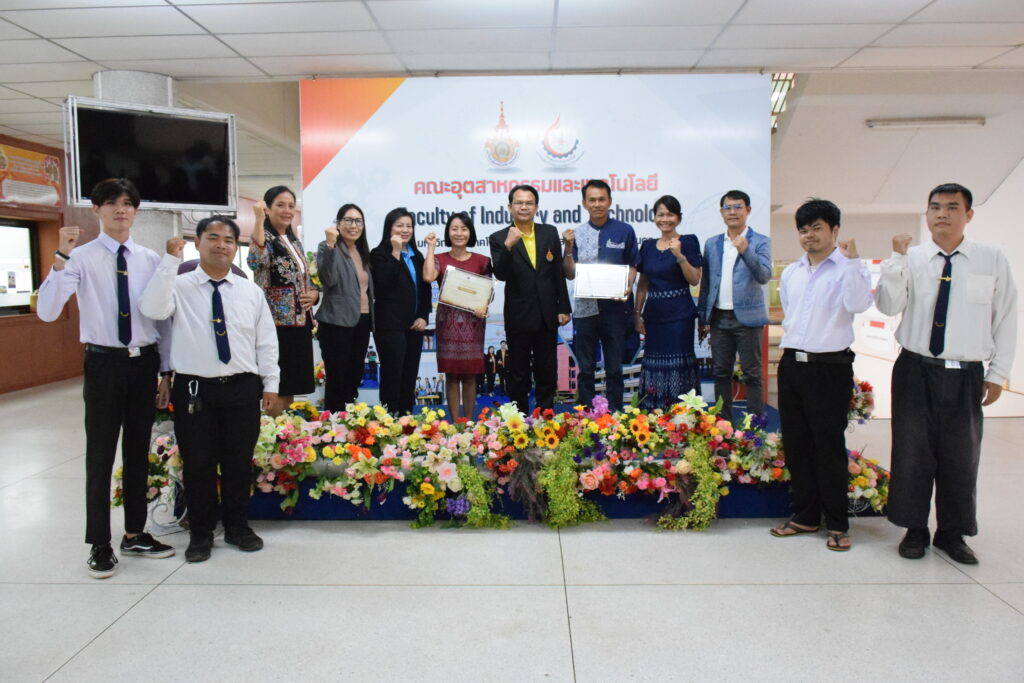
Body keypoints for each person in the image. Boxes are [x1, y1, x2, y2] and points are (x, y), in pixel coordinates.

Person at [36, 177, 176, 578]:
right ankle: (99, 543)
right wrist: (60, 256)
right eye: (112, 203)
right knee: (99, 455)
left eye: (128, 203)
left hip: (143, 364)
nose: (121, 210)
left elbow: (162, 320)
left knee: (137, 452)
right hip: (103, 364)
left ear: (136, 211)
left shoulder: (149, 259)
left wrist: (165, 372)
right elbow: (48, 310)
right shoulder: (79, 258)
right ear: (97, 209)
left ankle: (134, 533)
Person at [876, 183, 1017, 565]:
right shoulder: (912, 257)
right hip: (915, 369)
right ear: (927, 214)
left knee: (961, 456)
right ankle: (914, 529)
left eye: (952, 207)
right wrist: (896, 259)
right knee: (911, 452)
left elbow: (1006, 317)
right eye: (935, 207)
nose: (942, 214)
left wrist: (998, 373)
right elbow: (888, 305)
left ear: (968, 215)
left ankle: (952, 533)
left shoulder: (991, 259)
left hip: (966, 373)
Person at [141, 216, 279, 563]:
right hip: (194, 389)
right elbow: (152, 309)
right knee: (198, 465)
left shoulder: (250, 292)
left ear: (235, 247)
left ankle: (237, 527)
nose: (221, 245)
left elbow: (266, 342)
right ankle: (200, 533)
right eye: (213, 238)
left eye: (229, 240)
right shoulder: (179, 285)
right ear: (198, 243)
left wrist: (271, 383)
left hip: (242, 387)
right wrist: (169, 262)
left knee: (238, 463)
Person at [769, 199, 872, 552]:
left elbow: (858, 304)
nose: (808, 235)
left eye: (816, 228)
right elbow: (791, 314)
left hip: (830, 367)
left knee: (828, 447)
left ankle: (838, 523)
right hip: (792, 364)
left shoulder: (849, 268)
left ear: (834, 230)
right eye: (803, 229)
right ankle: (806, 515)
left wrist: (854, 262)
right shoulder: (792, 272)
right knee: (797, 444)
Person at [489, 185, 571, 412]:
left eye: (528, 203)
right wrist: (508, 245)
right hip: (519, 314)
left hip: (547, 313)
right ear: (509, 207)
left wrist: (563, 307)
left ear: (536, 207)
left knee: (547, 369)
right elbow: (501, 274)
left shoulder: (549, 232)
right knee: (518, 371)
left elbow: (557, 274)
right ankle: (520, 416)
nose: (523, 207)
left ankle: (545, 414)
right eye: (519, 203)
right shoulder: (499, 238)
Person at [563, 179, 638, 412]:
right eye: (592, 200)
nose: (597, 204)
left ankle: (615, 415)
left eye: (601, 199)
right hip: (585, 311)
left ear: (610, 201)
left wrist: (628, 285)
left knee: (614, 368)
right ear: (584, 203)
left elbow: (632, 264)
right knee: (586, 368)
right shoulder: (576, 234)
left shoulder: (624, 231)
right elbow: (570, 273)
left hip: (615, 310)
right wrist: (568, 249)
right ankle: (586, 415)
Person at [697, 189, 771, 422]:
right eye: (727, 208)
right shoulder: (712, 243)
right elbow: (706, 284)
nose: (732, 212)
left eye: (738, 207)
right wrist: (703, 318)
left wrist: (745, 250)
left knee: (752, 374)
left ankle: (754, 426)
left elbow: (763, 276)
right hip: (719, 318)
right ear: (721, 213)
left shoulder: (760, 241)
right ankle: (723, 425)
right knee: (721, 373)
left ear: (748, 210)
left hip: (748, 319)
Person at [248, 186, 319, 416]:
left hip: (299, 323)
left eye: (291, 205)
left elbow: (302, 278)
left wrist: (314, 294)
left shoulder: (292, 240)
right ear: (267, 209)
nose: (287, 210)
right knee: (276, 384)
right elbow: (256, 261)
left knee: (291, 384)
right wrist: (258, 220)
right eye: (280, 205)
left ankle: (285, 431)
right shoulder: (264, 236)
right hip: (276, 323)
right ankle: (272, 430)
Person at [634, 195, 703, 410]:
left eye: (670, 214)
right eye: (660, 214)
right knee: (653, 365)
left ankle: (683, 416)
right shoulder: (647, 246)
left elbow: (694, 279)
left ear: (678, 218)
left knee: (679, 366)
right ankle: (653, 416)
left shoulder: (688, 241)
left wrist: (680, 256)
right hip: (654, 317)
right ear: (654, 218)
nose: (665, 219)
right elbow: (643, 285)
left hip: (680, 317)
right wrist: (637, 314)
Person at [423, 212, 491, 420]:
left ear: (470, 232)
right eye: (454, 229)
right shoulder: (439, 259)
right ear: (448, 232)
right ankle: (455, 425)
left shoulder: (483, 261)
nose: (459, 233)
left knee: (470, 376)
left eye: (464, 229)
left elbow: (488, 292)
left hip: (473, 324)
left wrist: (484, 307)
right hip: (448, 324)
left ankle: (468, 423)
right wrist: (431, 247)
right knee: (451, 376)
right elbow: (428, 276)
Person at [371, 207, 432, 415]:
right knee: (392, 375)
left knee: (409, 376)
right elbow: (385, 284)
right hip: (390, 326)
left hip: (414, 326)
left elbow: (425, 290)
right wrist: (395, 252)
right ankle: (389, 420)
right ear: (389, 228)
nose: (405, 230)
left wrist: (424, 316)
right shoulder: (379, 254)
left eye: (409, 226)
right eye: (399, 226)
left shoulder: (416, 255)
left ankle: (406, 418)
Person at [316, 203, 374, 412]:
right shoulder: (327, 247)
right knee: (337, 378)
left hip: (362, 321)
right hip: (336, 322)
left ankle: (348, 419)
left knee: (354, 375)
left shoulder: (362, 251)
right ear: (338, 224)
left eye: (358, 221)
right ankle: (333, 422)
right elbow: (328, 279)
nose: (354, 225)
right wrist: (331, 246)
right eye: (348, 220)